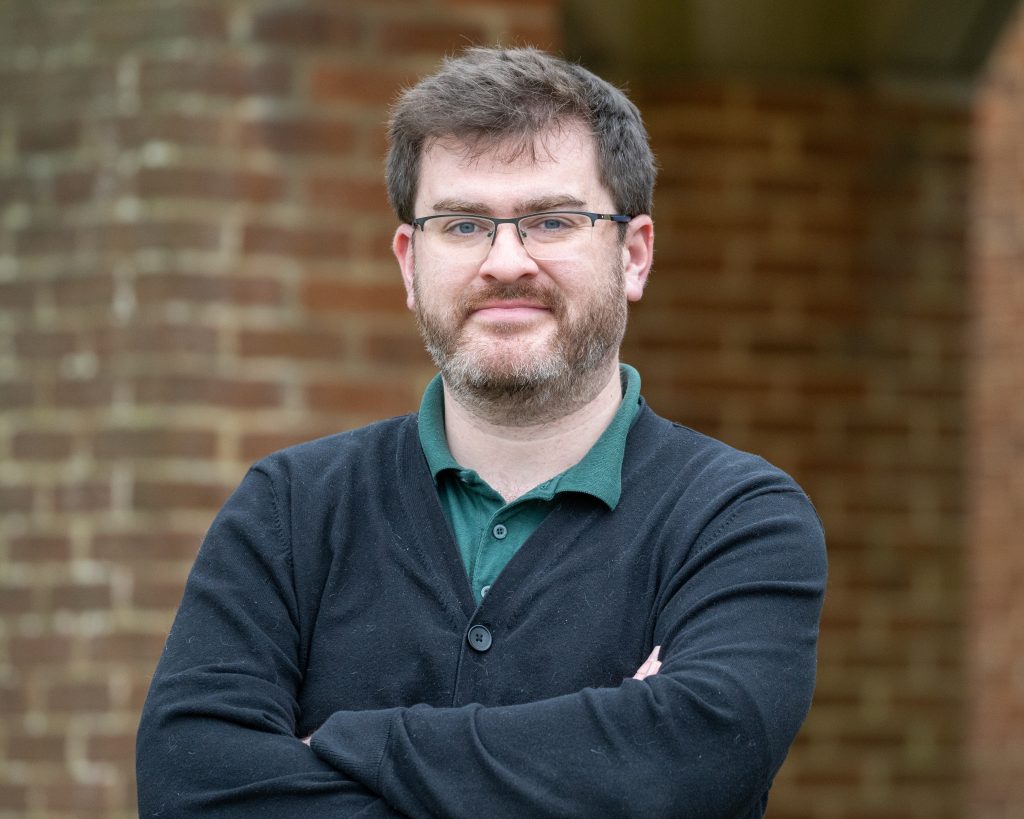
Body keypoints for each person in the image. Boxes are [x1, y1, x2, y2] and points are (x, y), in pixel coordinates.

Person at [136, 46, 827, 818]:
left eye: (552, 220)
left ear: (633, 255)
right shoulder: (290, 508)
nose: (505, 262)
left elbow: (699, 754)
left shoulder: (737, 518)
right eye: (462, 224)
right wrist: (598, 762)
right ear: (409, 261)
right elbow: (190, 783)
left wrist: (346, 747)